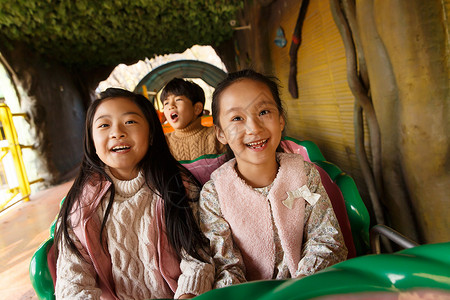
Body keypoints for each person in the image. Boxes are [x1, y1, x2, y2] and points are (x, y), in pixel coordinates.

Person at [53, 88, 213, 299]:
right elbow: (72, 283)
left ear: (152, 133)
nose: (117, 132)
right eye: (104, 125)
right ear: (91, 140)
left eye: (130, 122)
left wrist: (188, 295)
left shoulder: (178, 187)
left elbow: (198, 258)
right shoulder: (81, 205)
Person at [198, 70, 348, 288]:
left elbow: (326, 238)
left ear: (280, 120)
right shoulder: (214, 193)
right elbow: (225, 265)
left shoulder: (305, 174)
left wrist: (300, 285)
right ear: (220, 133)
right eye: (237, 118)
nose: (254, 128)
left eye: (264, 112)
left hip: (308, 289)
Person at [161, 78, 225, 161]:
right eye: (166, 103)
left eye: (178, 100)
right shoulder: (163, 143)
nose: (171, 106)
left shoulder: (216, 136)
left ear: (197, 108)